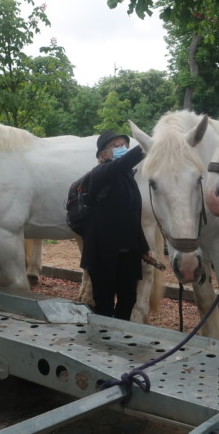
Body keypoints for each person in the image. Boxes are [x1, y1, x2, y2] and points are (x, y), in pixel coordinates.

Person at [80, 129, 150, 320]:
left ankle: (119, 340)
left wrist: (143, 248)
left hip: (128, 253)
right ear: (103, 154)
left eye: (124, 145)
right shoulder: (101, 173)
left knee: (128, 300)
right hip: (103, 254)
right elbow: (120, 165)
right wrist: (150, 143)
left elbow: (133, 217)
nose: (122, 148)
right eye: (115, 146)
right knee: (104, 304)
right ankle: (101, 344)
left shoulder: (128, 179)